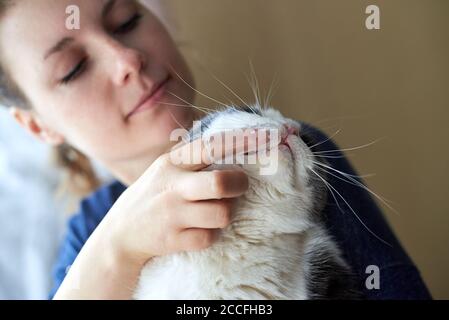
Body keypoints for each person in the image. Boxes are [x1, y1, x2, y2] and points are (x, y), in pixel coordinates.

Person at [0, 0, 431, 300]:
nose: (126, 59)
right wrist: (117, 249)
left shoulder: (291, 151)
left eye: (126, 19)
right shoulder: (88, 236)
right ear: (38, 125)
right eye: (73, 68)